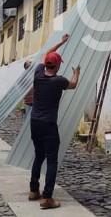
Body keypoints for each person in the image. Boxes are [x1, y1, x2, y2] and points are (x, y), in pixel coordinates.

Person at [28, 34, 80, 209]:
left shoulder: (37, 74)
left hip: (34, 122)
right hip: (49, 125)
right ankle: (47, 198)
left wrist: (61, 42)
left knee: (39, 156)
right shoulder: (59, 81)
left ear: (46, 64)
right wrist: (76, 73)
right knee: (51, 160)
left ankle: (34, 190)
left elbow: (48, 53)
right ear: (57, 66)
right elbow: (73, 85)